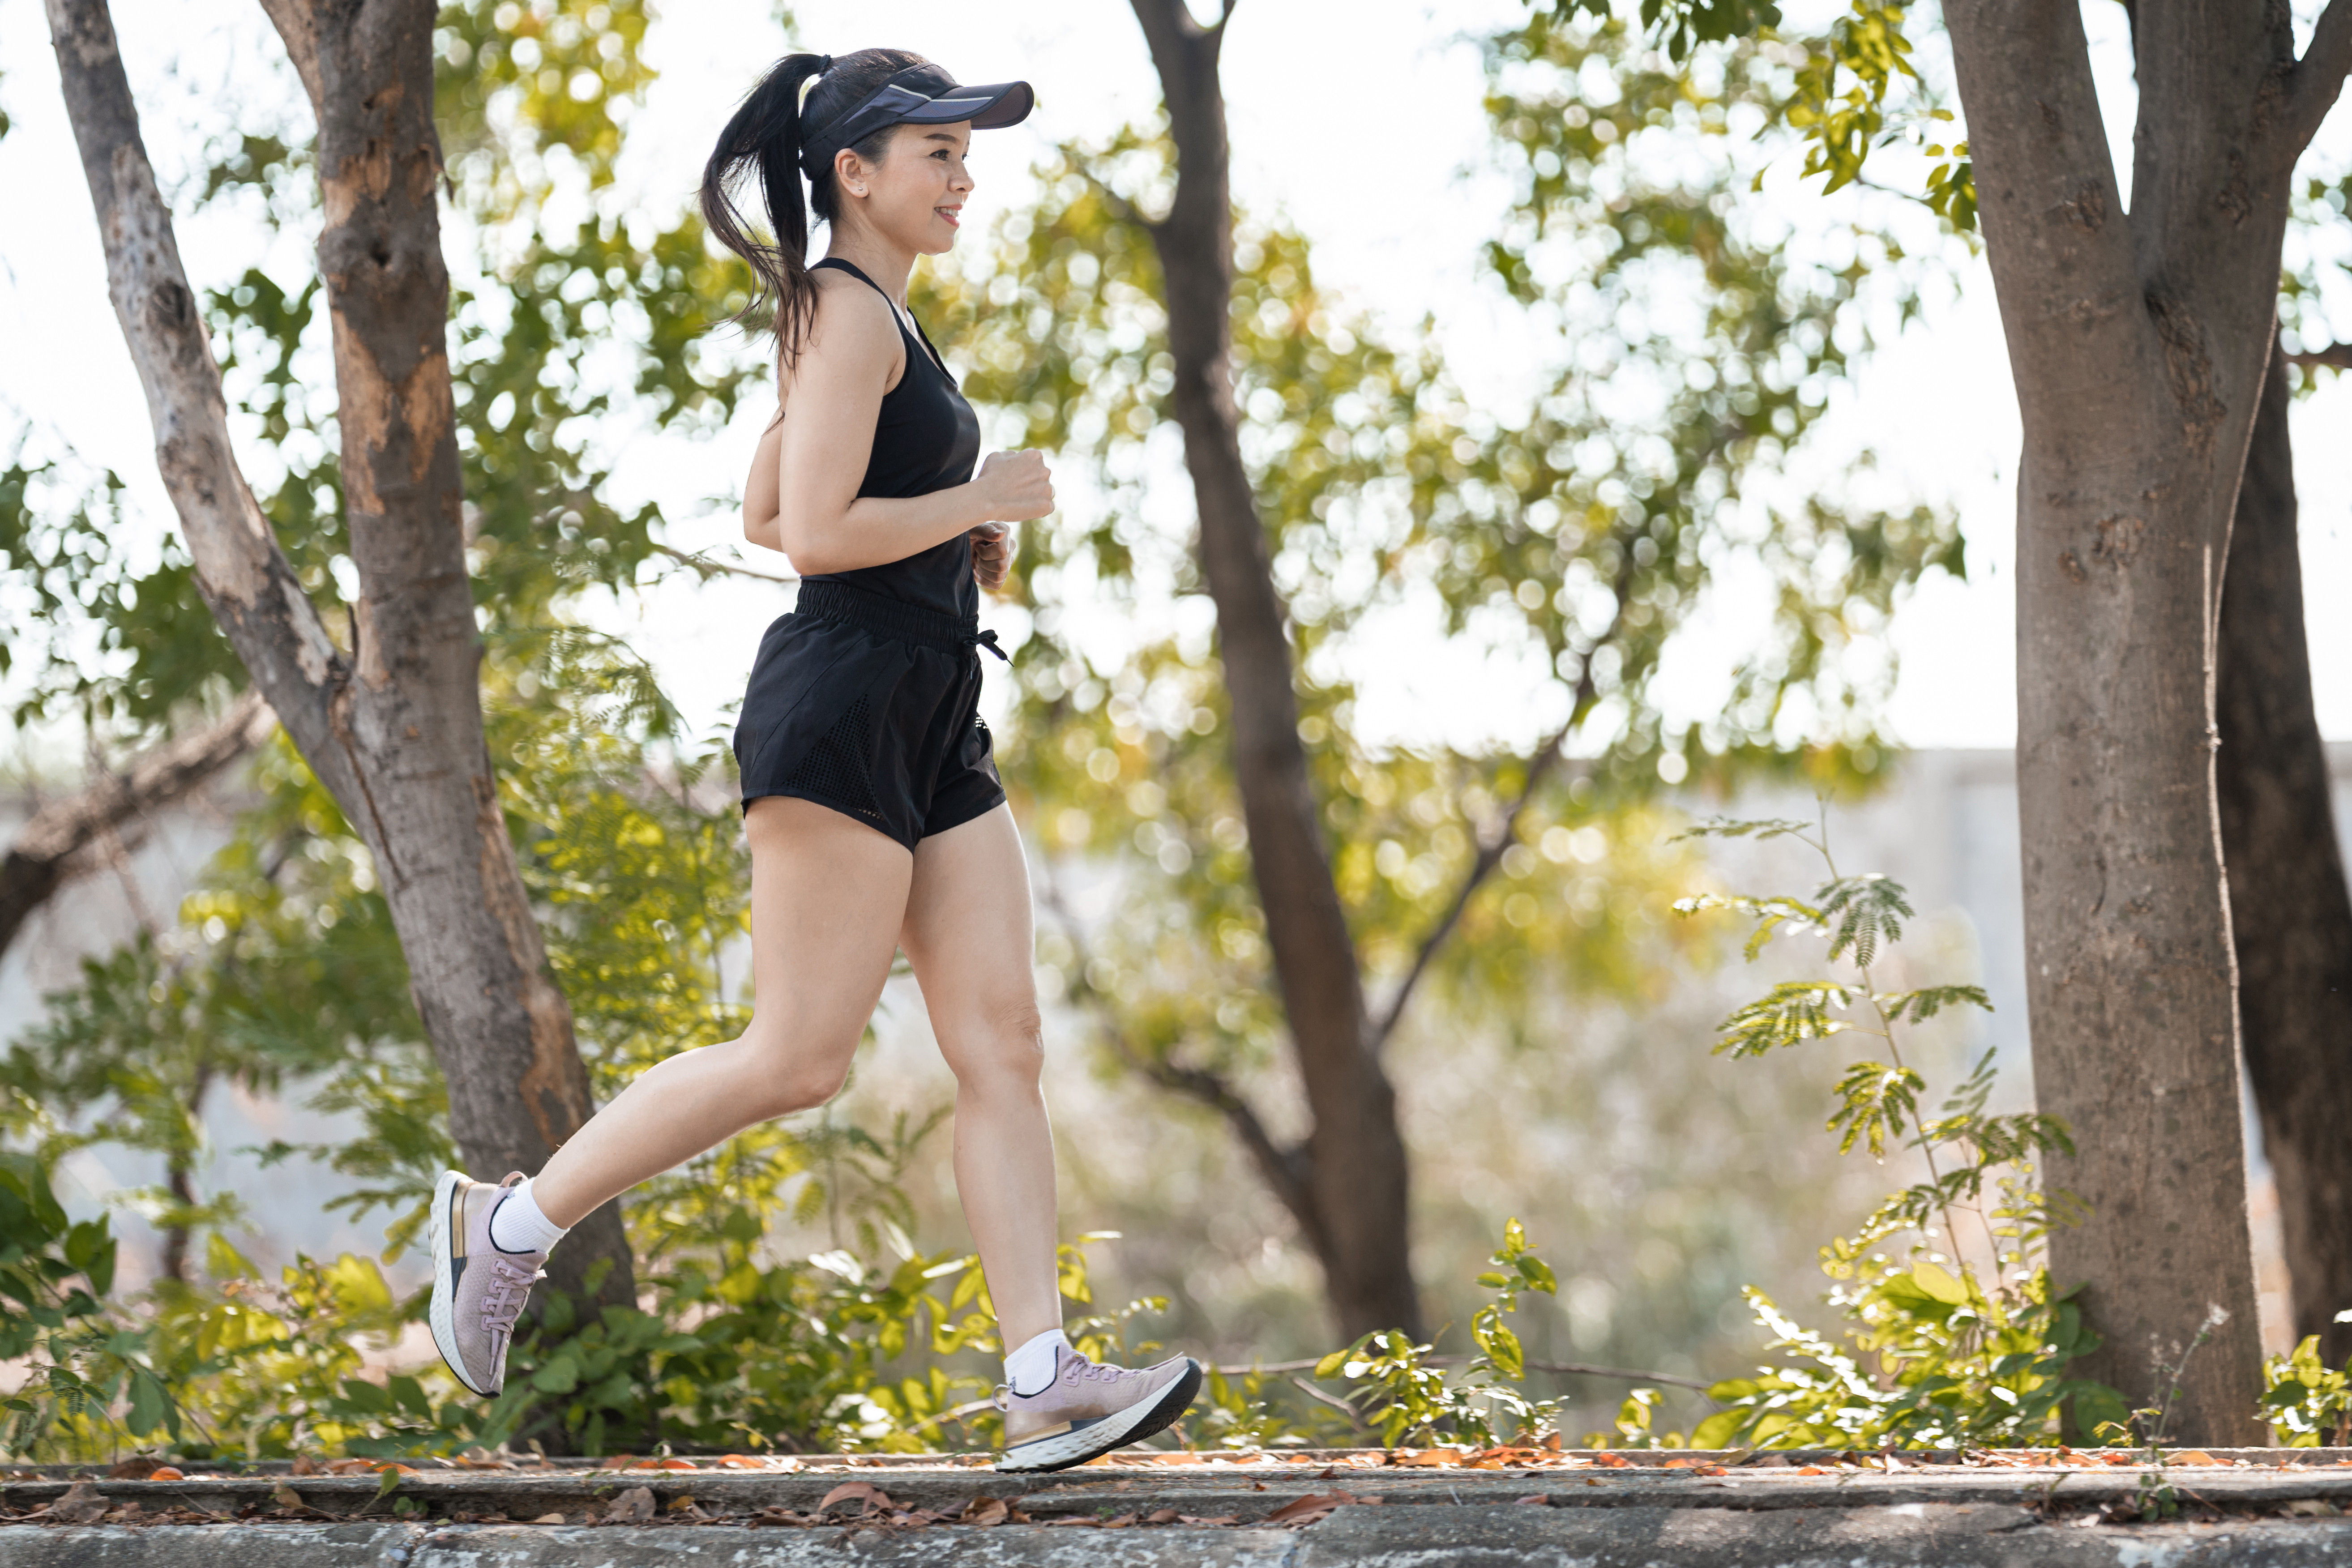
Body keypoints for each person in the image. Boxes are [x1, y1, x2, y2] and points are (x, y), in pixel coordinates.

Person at [424, 47, 1202, 1474]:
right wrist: (972, 492)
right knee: (797, 1058)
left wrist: (948, 526)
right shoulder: (845, 311)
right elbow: (814, 538)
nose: (966, 180)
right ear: (856, 173)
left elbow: (761, 501)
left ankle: (1041, 1377)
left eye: (967, 157)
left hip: (930, 709)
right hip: (843, 704)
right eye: (940, 156)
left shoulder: (864, 317)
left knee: (1003, 1042)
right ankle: (510, 1225)